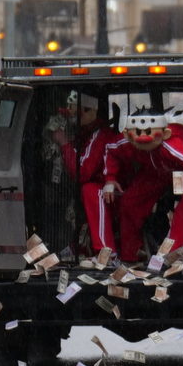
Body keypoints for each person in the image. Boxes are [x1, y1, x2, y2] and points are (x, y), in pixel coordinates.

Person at [102, 111, 183, 263]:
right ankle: (130, 255)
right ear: (127, 135)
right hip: (156, 168)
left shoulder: (171, 144)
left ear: (165, 134)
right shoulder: (125, 142)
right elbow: (110, 148)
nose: (144, 138)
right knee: (129, 201)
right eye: (138, 135)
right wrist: (110, 179)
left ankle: (173, 252)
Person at [51, 92, 124, 255]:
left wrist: (64, 143)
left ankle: (106, 252)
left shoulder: (101, 135)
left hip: (115, 191)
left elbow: (82, 172)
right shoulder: (85, 132)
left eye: (79, 112)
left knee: (91, 191)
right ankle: (78, 246)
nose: (72, 115)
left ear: (92, 112)